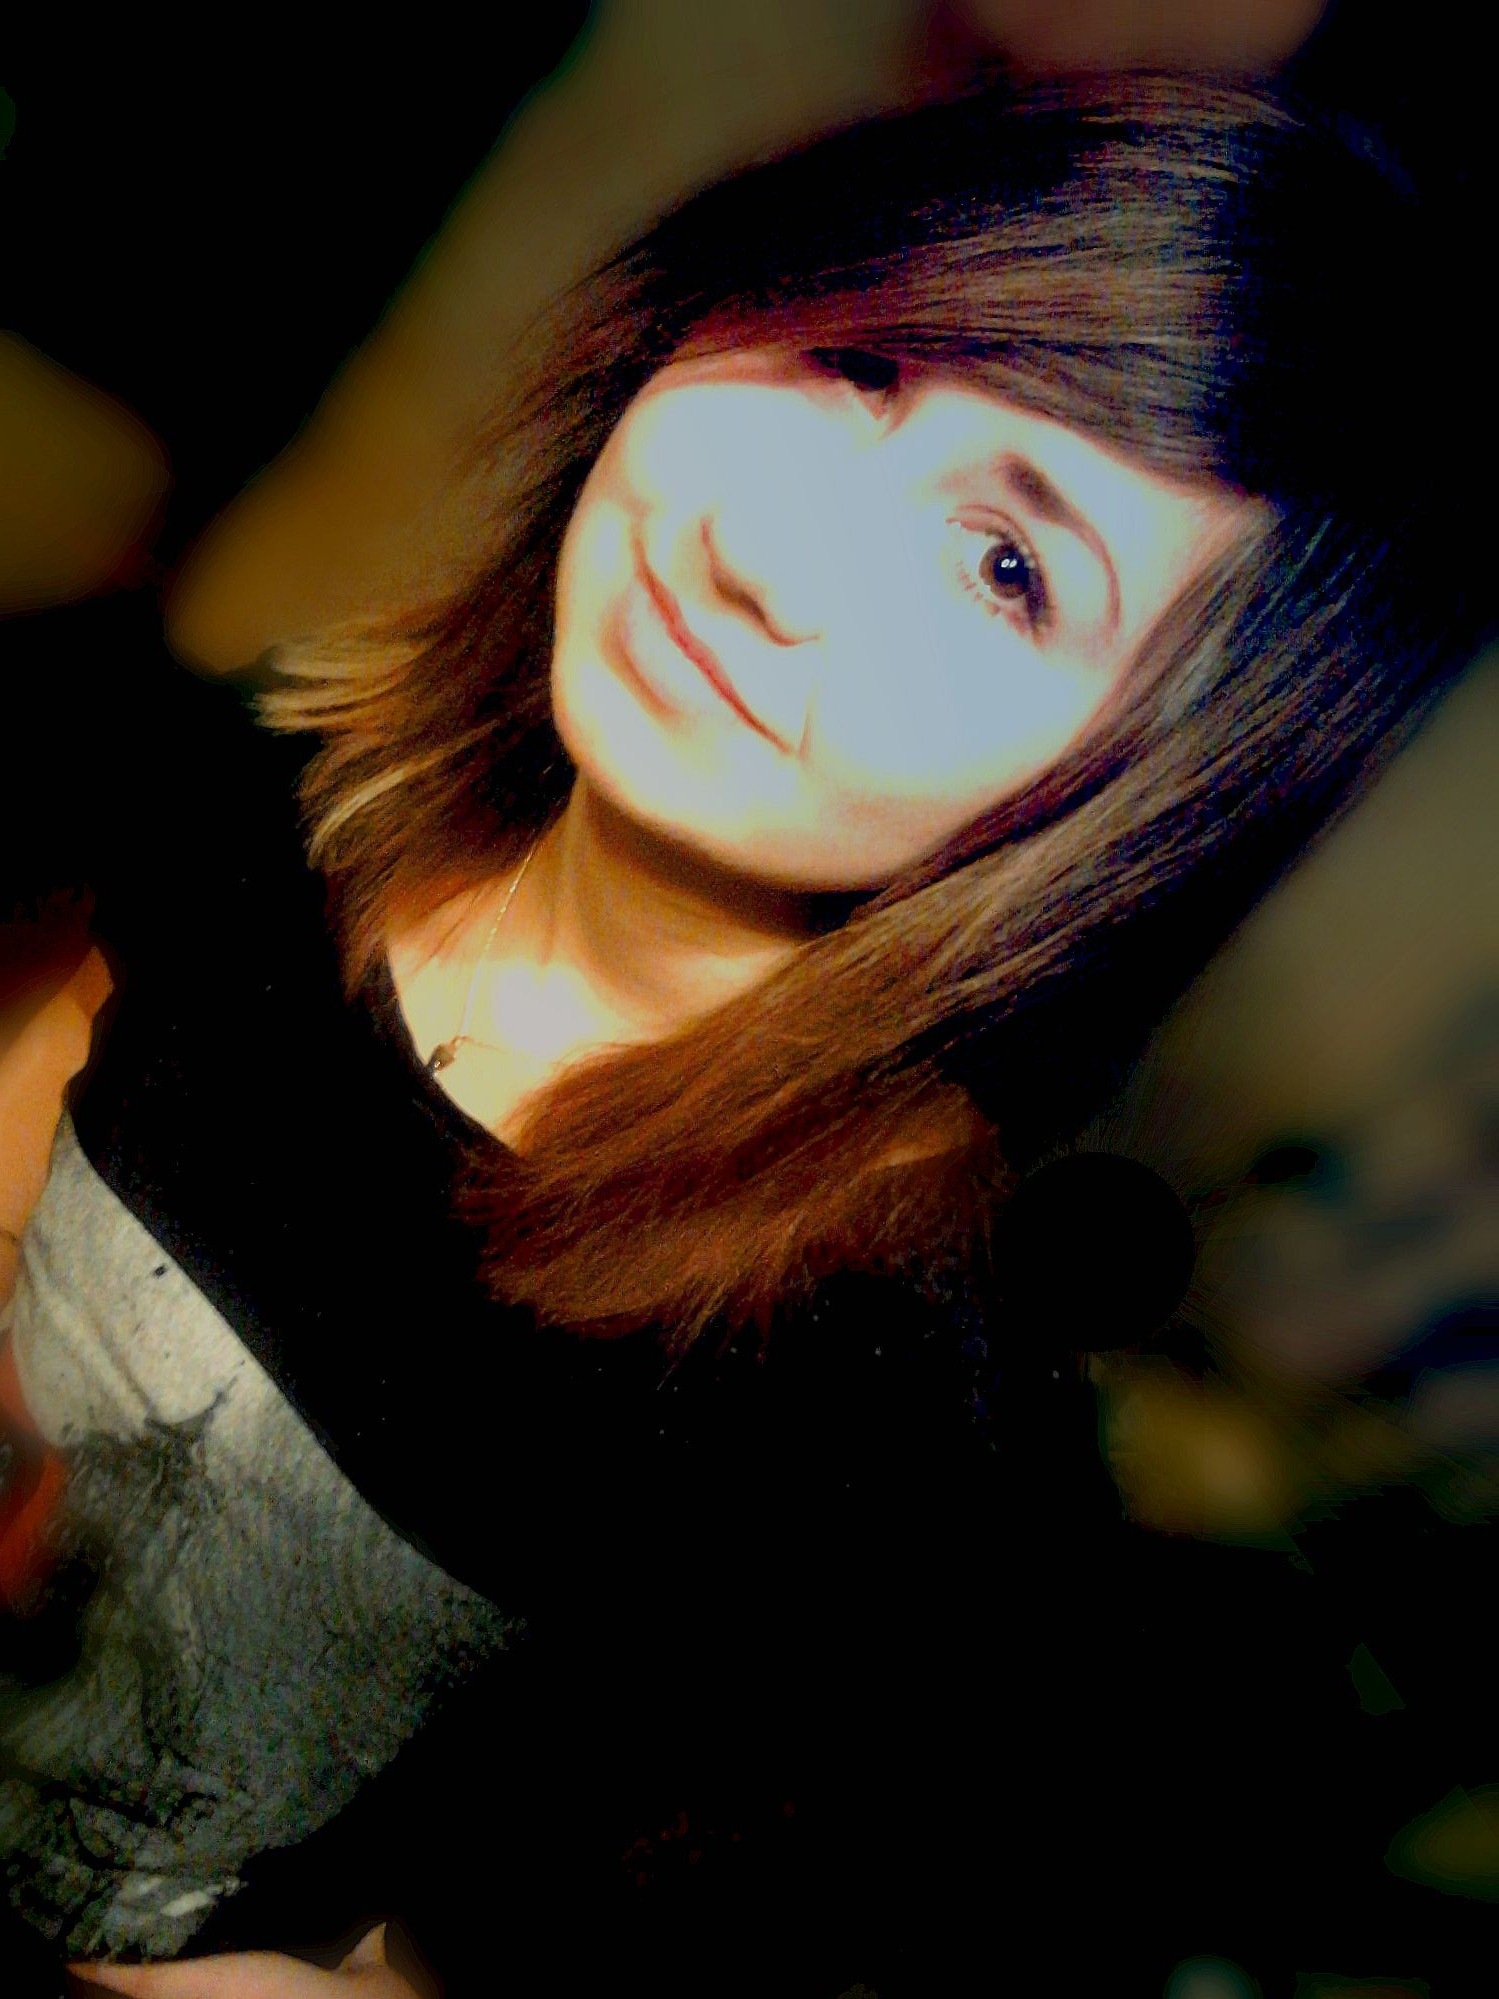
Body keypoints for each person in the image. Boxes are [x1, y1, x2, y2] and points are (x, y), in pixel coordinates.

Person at [3, 69, 1489, 1998]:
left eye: (1010, 570)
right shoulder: (304, 790)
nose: (762, 556)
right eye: (857, 363)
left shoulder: (871, 1433)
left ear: (1147, 804)